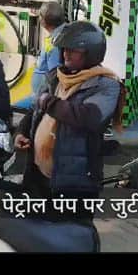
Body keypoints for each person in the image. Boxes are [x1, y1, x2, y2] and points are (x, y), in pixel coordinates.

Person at [14, 21, 122, 225]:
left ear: (91, 53)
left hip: (74, 183)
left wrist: (48, 102)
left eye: (74, 51)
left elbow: (87, 116)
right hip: (39, 177)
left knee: (71, 237)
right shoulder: (57, 77)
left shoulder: (106, 85)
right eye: (65, 49)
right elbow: (34, 112)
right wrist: (21, 132)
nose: (66, 55)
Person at [13, 2, 66, 110]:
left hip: (41, 98)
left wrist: (45, 100)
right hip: (40, 94)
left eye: (40, 15)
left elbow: (54, 77)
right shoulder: (59, 35)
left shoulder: (55, 44)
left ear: (43, 21)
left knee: (14, 109)